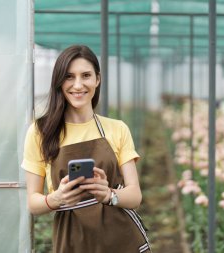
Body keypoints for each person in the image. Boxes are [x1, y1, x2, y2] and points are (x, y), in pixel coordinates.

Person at [22, 45, 150, 253]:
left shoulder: (117, 129)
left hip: (121, 240)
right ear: (59, 81)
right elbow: (33, 203)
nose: (78, 85)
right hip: (72, 241)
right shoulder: (40, 132)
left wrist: (108, 195)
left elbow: (135, 196)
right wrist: (56, 198)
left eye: (86, 75)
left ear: (97, 80)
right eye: (69, 76)